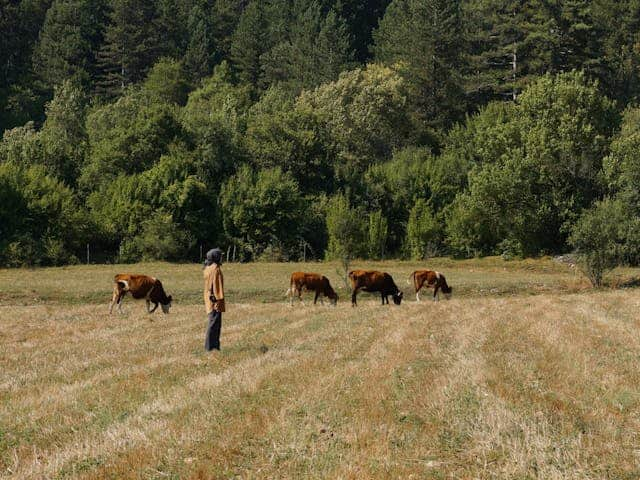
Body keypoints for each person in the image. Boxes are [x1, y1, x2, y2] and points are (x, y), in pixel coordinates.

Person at [203, 248, 225, 351]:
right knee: (214, 324)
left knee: (214, 324)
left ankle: (214, 346)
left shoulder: (208, 267)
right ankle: (210, 347)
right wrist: (218, 300)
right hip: (214, 301)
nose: (222, 258)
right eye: (220, 256)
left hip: (209, 299)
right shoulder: (216, 269)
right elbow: (217, 286)